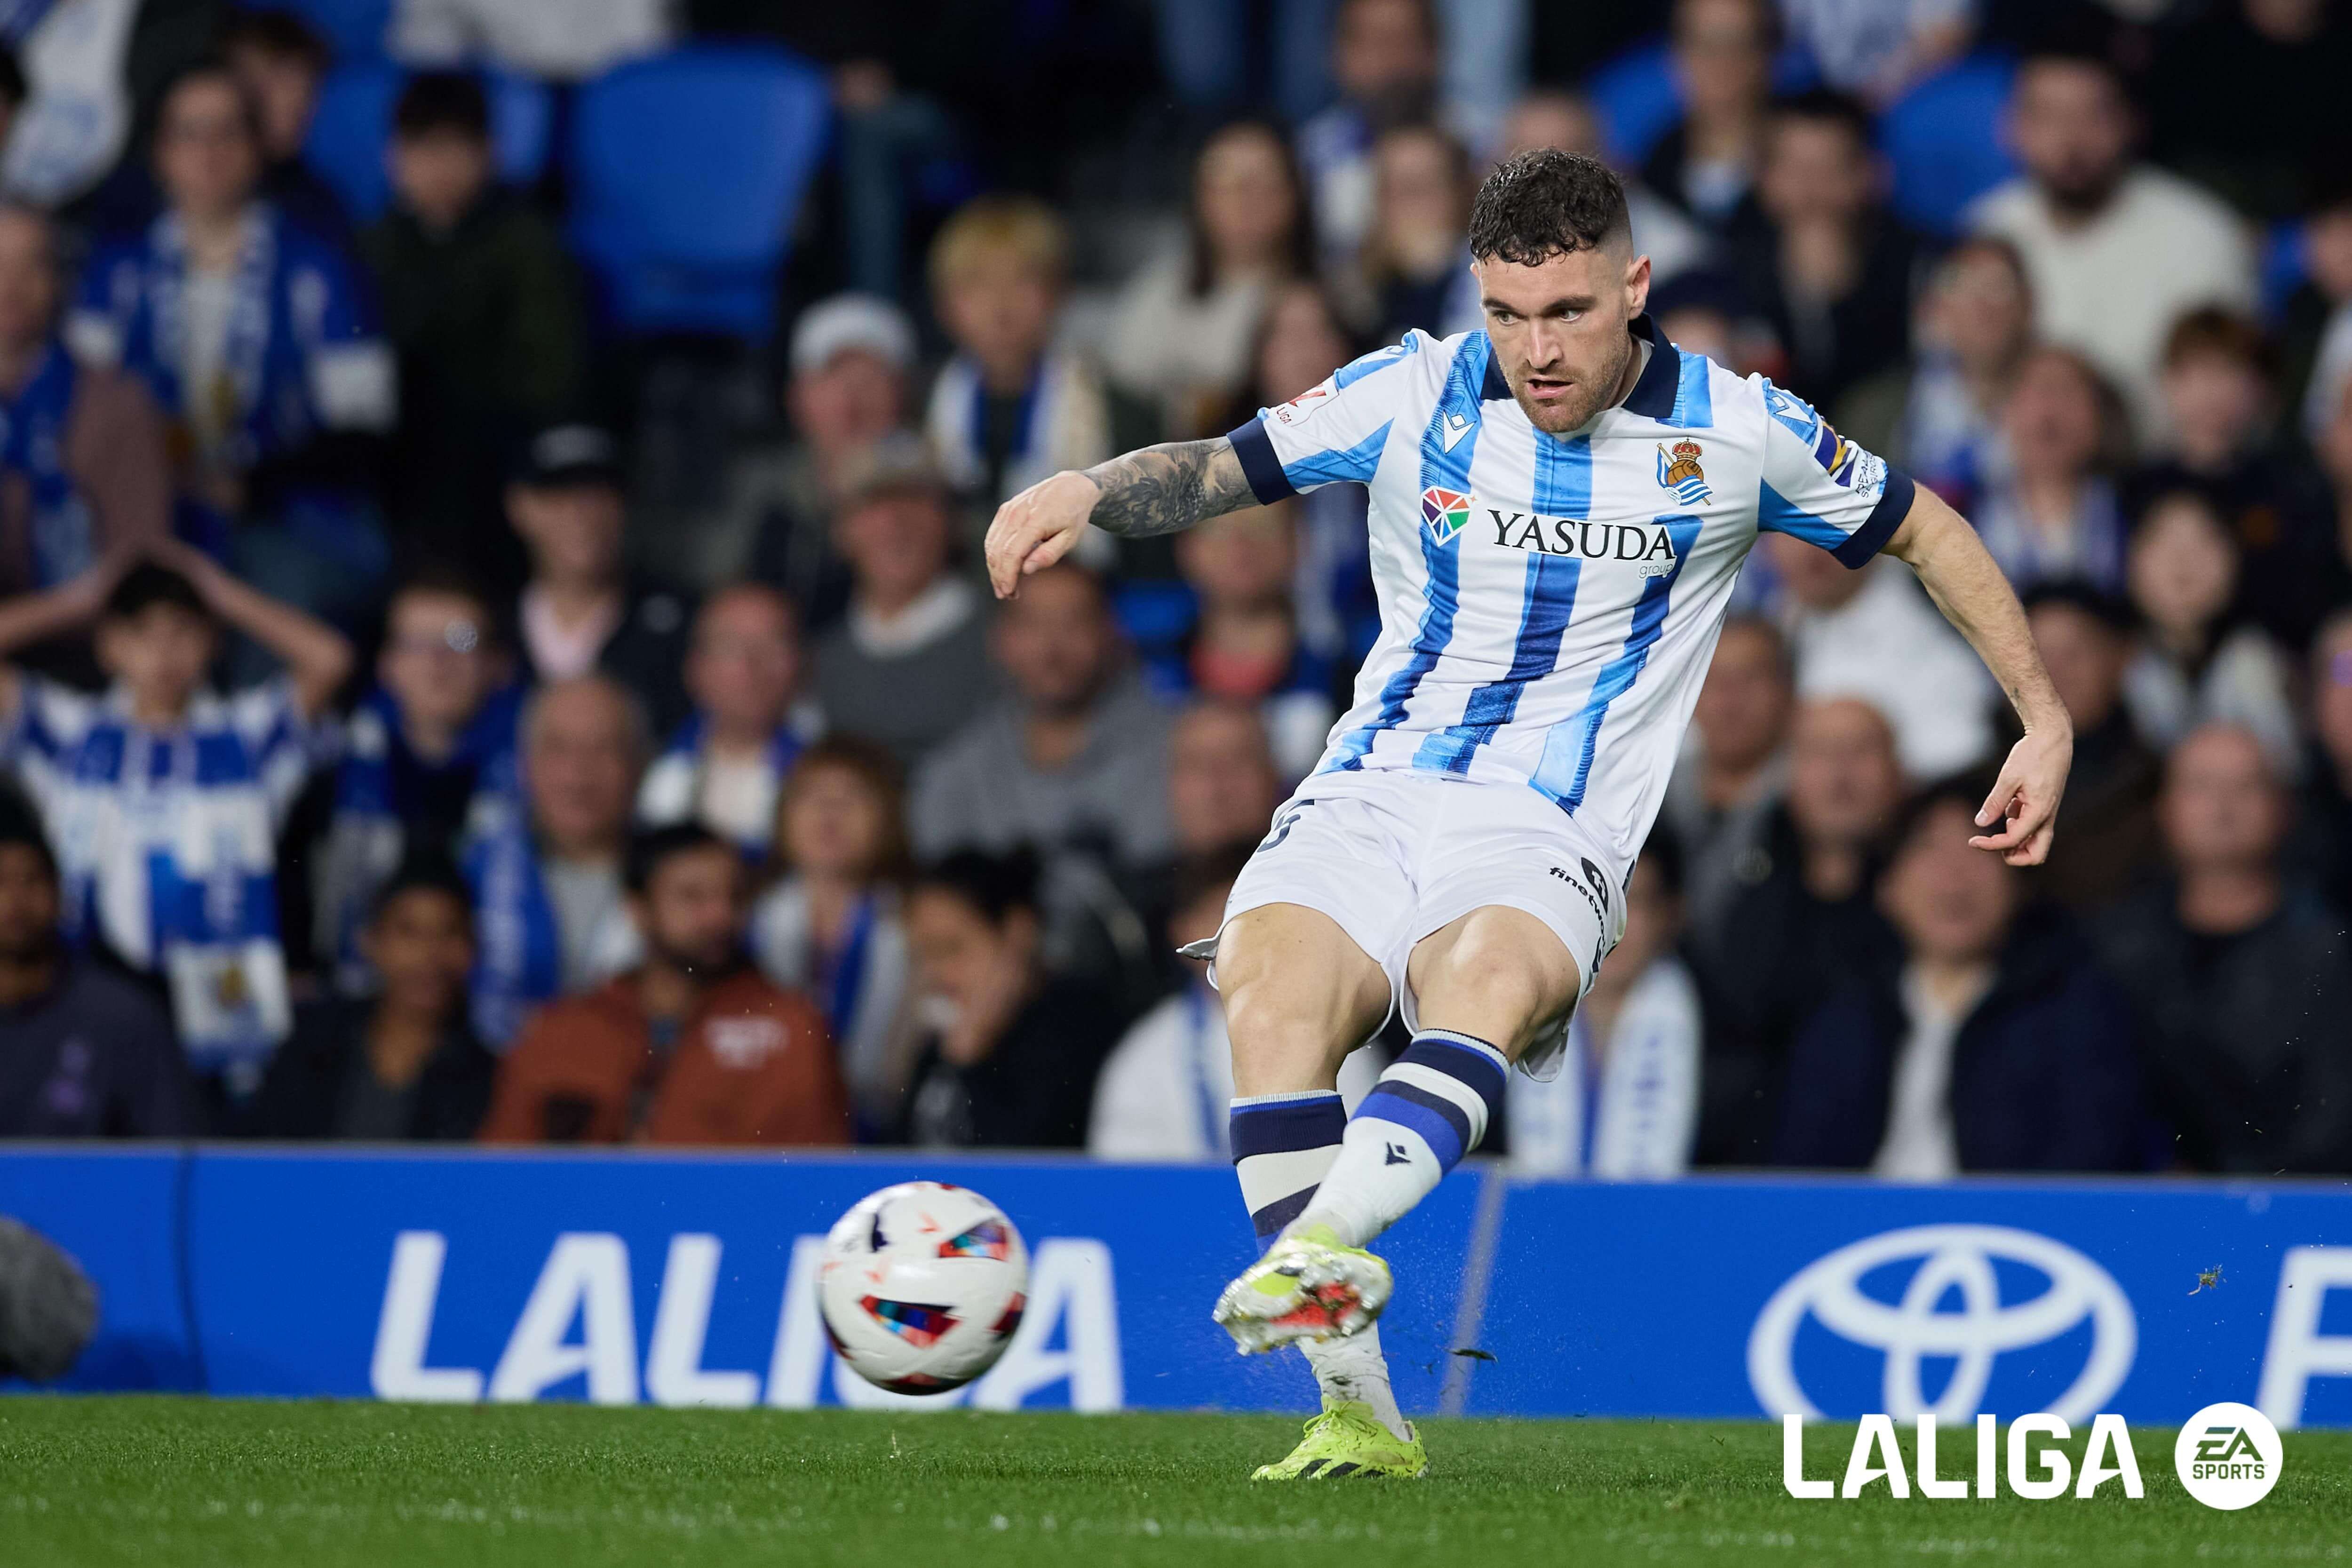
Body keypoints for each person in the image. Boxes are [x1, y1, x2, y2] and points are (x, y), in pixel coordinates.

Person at [980, 147, 2073, 1480]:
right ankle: (1357, 1408)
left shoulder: (1738, 429)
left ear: (1635, 287)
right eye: (1505, 312)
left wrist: (2043, 714)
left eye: (1565, 312)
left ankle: (1324, 1245)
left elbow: (1924, 528)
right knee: (1267, 995)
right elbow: (1225, 465)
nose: (1534, 349)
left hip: (1549, 822)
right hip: (1375, 782)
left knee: (1482, 982)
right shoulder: (1412, 388)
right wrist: (1083, 490)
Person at [0, 546, 350, 1100]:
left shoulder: (245, 738)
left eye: (184, 632)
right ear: (109, 645)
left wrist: (220, 590)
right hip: (90, 986)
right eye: (141, 633)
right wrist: (77, 599)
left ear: (212, 644)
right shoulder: (71, 735)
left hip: (220, 1006)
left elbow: (330, 660)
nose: (164, 653)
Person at [67, 65, 396, 626]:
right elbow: (78, 408)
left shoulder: (320, 267)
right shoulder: (115, 271)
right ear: (161, 152)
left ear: (258, 147)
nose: (209, 152)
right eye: (189, 133)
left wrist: (253, 485)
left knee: (279, 581)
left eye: (228, 132)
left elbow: (364, 421)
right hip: (140, 509)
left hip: (285, 513)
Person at [1775, 773, 2149, 1174]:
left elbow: (2091, 1164)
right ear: (1887, 888)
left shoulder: (2078, 1008)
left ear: (2020, 883)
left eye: (1983, 847)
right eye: (1930, 848)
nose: (1955, 875)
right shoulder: (1843, 1007)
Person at [480, 823, 849, 1146]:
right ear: (637, 910)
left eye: (734, 896)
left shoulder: (794, 1028)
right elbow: (502, 1181)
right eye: (692, 896)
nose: (719, 915)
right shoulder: (561, 1031)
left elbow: (815, 1184)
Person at [363, 71, 583, 593]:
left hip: (491, 460)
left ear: (490, 153)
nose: (439, 168)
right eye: (422, 149)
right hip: (392, 456)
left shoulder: (531, 243)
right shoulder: (369, 248)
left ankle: (464, 641)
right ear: (393, 158)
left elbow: (552, 376)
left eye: (456, 149)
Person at [2096, 724, 2352, 1173]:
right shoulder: (2113, 947)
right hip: (2136, 1212)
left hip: (2291, 1210)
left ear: (2284, 808)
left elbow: (2331, 1120)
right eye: (2201, 786)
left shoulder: (2332, 952)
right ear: (2164, 807)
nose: (2222, 807)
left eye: (2246, 786)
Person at [1967, 46, 2257, 442]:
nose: (2070, 140)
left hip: (2166, 479)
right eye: (2047, 115)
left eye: (2093, 115)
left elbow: (2237, 406)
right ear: (2012, 127)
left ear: (2133, 123)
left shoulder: (2204, 237)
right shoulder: (1982, 233)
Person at [1693, 695, 1905, 1163]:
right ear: (1788, 775)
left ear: (1899, 772)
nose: (1839, 775)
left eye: (1860, 752)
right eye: (1819, 753)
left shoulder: (1932, 900)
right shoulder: (1731, 892)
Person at [1092, 843, 1379, 1160]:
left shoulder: (1341, 1035)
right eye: (1223, 914)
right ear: (1183, 932)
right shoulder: (1146, 1054)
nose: (1243, 934)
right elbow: (1127, 1182)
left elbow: (1365, 1161)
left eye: (1259, 915)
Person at [319, 568, 521, 992]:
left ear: (495, 664)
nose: (438, 662)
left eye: (460, 641)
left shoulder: (540, 771)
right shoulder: (329, 763)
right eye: (416, 644)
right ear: (387, 664)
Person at [0, 205, 172, 615]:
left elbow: (141, 561)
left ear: (60, 280)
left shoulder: (119, 401)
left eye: (33, 266)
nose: (11, 286)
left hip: (94, 646)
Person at [253, 854, 497, 1140]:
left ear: (473, 948)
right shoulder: (313, 1046)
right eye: (410, 932)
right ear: (371, 942)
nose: (431, 956)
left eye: (450, 932)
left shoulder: (489, 1076)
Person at [750, 735, 919, 1137]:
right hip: (763, 1133)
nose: (829, 812)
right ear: (782, 815)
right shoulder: (740, 918)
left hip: (884, 1134)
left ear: (890, 819)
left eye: (853, 796)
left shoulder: (918, 925)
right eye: (811, 795)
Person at [1506, 832, 1701, 1179]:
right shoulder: (1501, 1021)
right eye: (1597, 898)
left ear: (1670, 916)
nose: (1614, 923)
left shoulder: (1723, 1045)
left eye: (1634, 901)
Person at [463, 675, 645, 1046]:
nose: (580, 772)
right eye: (559, 748)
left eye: (604, 748)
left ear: (639, 764)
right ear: (524, 764)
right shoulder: (469, 875)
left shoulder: (680, 877)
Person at [900, 848, 1123, 1148]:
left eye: (951, 949)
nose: (935, 974)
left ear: (1018, 934)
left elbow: (1028, 1166)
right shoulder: (937, 1047)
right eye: (924, 955)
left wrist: (972, 1060)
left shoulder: (1077, 1031)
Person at [1106, 120, 1312, 441]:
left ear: (1294, 194)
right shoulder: (1158, 293)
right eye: (1227, 184)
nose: (1245, 199)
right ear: (1200, 197)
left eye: (1263, 182)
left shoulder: (1334, 297)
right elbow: (1122, 396)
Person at [0, 806, 192, 1138]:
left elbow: (168, 1154)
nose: (16, 901)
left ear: (60, 894)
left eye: (32, 881)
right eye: (1, 882)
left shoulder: (122, 1017)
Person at [808, 446, 998, 771]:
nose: (895, 521)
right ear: (840, 530)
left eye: (916, 499)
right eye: (872, 503)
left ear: (953, 522)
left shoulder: (1009, 641)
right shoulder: (820, 662)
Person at [727, 294, 917, 618]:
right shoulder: (756, 493)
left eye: (871, 378)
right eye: (832, 378)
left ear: (904, 393)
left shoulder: (933, 496)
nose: (852, 401)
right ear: (796, 397)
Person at [922, 196, 1110, 518]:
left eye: (1022, 280)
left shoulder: (1114, 410)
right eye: (977, 284)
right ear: (944, 305)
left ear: (1059, 293)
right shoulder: (917, 411)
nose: (1000, 306)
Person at [1733, 90, 1918, 414]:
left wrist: (1839, 297)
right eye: (1794, 169)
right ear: (1764, 178)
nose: (1811, 191)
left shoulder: (1919, 268)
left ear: (1872, 175)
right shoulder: (1729, 269)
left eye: (1830, 169)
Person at [505, 424, 692, 738]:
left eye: (600, 495)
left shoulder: (679, 627)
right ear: (521, 507)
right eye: (559, 495)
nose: (582, 514)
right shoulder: (489, 629)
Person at [1768, 529, 1996, 780]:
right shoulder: (1781, 622)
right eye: (1787, 531)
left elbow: (1960, 761)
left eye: (1825, 523)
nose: (1808, 548)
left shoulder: (1935, 605)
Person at [1142, 499, 1336, 781]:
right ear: (1186, 546)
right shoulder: (1143, 675)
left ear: (1298, 540)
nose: (1241, 547)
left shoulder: (1359, 677)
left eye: (1263, 528)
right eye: (1219, 530)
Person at [2119, 489, 2298, 771]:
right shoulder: (2113, 665)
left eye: (2204, 541)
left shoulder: (2269, 659)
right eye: (2162, 540)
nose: (2183, 561)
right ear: (2131, 559)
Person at [636, 584, 807, 859]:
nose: (751, 666)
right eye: (731, 647)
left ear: (802, 663)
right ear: (695, 668)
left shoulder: (828, 771)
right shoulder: (642, 768)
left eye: (773, 645)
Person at [2024, 581, 2161, 910]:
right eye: (2034, 655)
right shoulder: (1973, 796)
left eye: (2074, 653)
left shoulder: (2162, 788)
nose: (2053, 674)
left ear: (2122, 657)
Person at [1659, 615, 1791, 954]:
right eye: (1713, 680)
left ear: (1788, 688)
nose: (1730, 701)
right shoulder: (1653, 792)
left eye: (1750, 678)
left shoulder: (1813, 799)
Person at [1496, 89, 1710, 289]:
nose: (1543, 179)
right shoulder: (1480, 257)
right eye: (1526, 162)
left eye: (1565, 159)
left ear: (1603, 163)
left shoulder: (1672, 256)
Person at [1878, 236, 2033, 507]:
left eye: (1999, 286)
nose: (1982, 306)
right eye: (1962, 286)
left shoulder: (2063, 404)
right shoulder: (1882, 411)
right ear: (1936, 307)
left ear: (2028, 305)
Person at [1296, 0, 1444, 267]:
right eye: (1373, 42)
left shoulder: (1479, 148)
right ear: (1339, 54)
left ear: (1433, 51)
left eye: (1402, 41)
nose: (1389, 60)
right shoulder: (1308, 155)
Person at [1969, 345, 2127, 594]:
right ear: (2006, 414)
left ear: (2099, 419)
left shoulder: (2134, 513)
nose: (2050, 413)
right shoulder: (1962, 513)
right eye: (2038, 392)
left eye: (2068, 394)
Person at [1642, 0, 1778, 241]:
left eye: (1739, 43)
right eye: (1704, 44)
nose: (1722, 63)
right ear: (1675, 57)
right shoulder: (1646, 180)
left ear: (1769, 54)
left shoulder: (1810, 178)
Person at [222, 6, 347, 242]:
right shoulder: (167, 193)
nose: (296, 103)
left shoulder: (319, 207)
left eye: (308, 88)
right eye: (279, 83)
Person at [1347, 124, 1478, 343]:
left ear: (1460, 196)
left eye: (1420, 188)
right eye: (1392, 190)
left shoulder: (1485, 285)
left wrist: (1428, 279)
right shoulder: (1350, 296)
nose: (1408, 205)